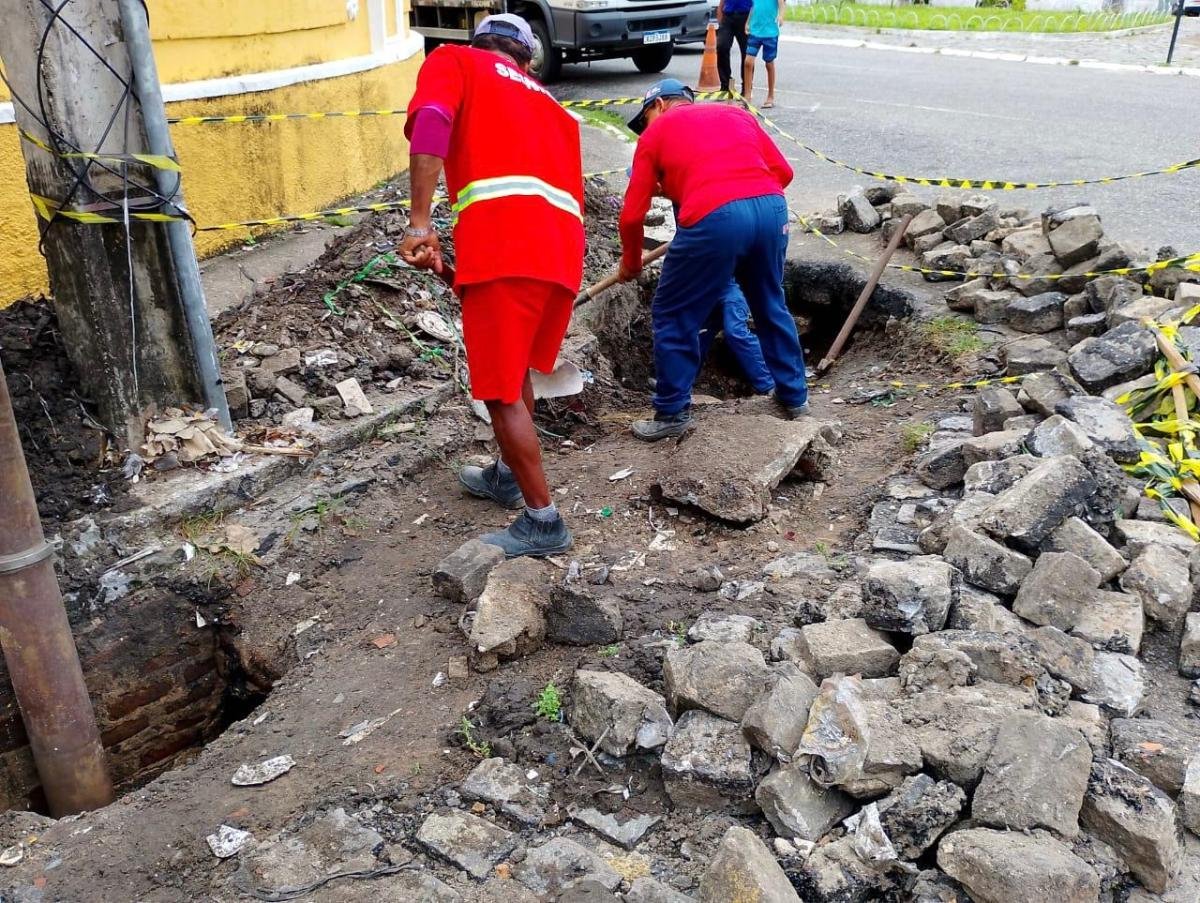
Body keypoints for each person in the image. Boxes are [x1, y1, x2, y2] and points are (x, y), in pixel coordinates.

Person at [400, 14, 585, 557]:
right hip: (558, 257)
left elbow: (432, 120)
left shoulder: (453, 61)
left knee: (500, 391)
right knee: (515, 371)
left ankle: (544, 521)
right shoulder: (554, 107)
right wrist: (460, 270)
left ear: (479, 45)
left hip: (507, 251)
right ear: (526, 61)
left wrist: (418, 221)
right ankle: (507, 476)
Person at [619, 79, 809, 441]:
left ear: (657, 105)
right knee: (770, 302)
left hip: (715, 217)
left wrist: (631, 262)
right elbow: (784, 173)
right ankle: (794, 396)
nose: (643, 129)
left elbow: (631, 217)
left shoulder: (655, 135)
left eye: (644, 119)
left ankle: (672, 411)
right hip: (771, 209)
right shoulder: (735, 114)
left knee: (673, 314)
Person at [700, 283, 776, 396]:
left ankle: (768, 384)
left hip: (730, 287)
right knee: (697, 335)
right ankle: (682, 387)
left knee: (736, 331)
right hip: (701, 291)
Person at [743, 0, 783, 109]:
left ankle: (770, 96)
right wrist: (748, 22)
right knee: (748, 62)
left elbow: (781, 3)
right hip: (755, 31)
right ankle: (747, 95)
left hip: (770, 32)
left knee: (769, 64)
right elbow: (754, 6)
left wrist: (781, 15)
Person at [716, 0, 752, 95]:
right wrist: (720, 15)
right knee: (722, 47)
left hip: (746, 16)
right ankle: (725, 85)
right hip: (728, 16)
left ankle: (747, 87)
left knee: (747, 53)